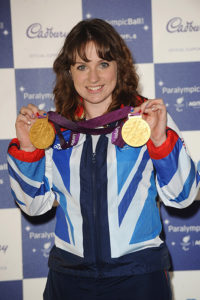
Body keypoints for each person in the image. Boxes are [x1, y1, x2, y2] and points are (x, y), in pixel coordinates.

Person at [7, 18, 199, 300]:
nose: (93, 78)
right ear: (69, 72)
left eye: (103, 64)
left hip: (138, 278)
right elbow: (34, 206)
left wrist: (160, 141)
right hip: (69, 279)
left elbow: (183, 197)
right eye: (82, 66)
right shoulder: (54, 130)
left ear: (119, 66)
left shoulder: (147, 120)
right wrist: (27, 149)